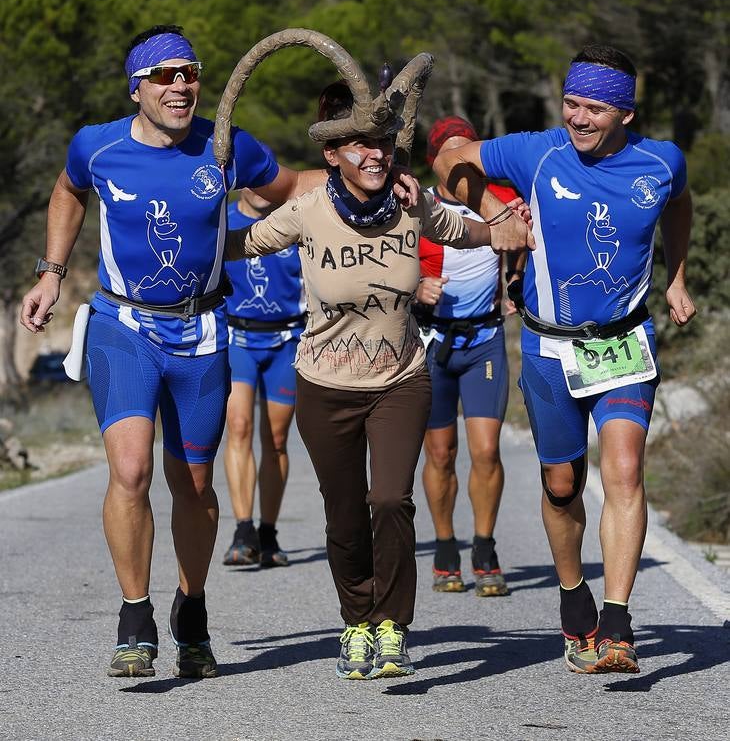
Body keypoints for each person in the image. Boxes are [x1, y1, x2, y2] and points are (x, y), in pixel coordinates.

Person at [18, 25, 414, 680]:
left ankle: (191, 607)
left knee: (196, 484)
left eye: (189, 73)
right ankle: (135, 616)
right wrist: (51, 271)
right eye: (165, 76)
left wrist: (373, 169)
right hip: (124, 327)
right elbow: (68, 190)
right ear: (136, 87)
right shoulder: (99, 145)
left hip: (202, 333)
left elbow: (292, 185)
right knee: (131, 470)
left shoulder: (226, 147)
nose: (181, 86)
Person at [225, 81, 528, 681]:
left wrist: (502, 229)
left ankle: (392, 624)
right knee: (342, 510)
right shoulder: (307, 210)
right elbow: (241, 244)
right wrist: (188, 227)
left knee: (389, 499)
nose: (374, 154)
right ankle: (356, 622)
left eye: (382, 143)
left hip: (400, 378)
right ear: (332, 154)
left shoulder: (412, 204)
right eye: (358, 144)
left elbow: (460, 229)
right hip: (324, 383)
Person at [433, 44, 696, 675]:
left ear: (626, 113)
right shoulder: (537, 151)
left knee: (625, 471)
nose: (579, 118)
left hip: (624, 343)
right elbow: (447, 161)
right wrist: (496, 212)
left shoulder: (661, 163)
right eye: (572, 103)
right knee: (561, 485)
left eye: (595, 108)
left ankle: (618, 624)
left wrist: (677, 277)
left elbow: (680, 205)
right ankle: (573, 593)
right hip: (550, 347)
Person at [415, 116, 525, 598]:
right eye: (450, 154)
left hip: (483, 340)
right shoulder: (415, 204)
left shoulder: (500, 203)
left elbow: (525, 241)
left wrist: (515, 284)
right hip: (431, 341)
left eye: (469, 152)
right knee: (441, 453)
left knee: (485, 451)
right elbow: (385, 260)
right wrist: (416, 289)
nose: (461, 162)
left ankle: (483, 546)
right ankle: (444, 547)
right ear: (435, 162)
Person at [222, 188, 306, 569]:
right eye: (252, 180)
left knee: (275, 439)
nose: (260, 189)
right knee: (238, 427)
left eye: (267, 180)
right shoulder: (223, 219)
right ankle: (243, 530)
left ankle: (268, 531)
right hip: (236, 338)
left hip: (286, 340)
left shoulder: (293, 219)